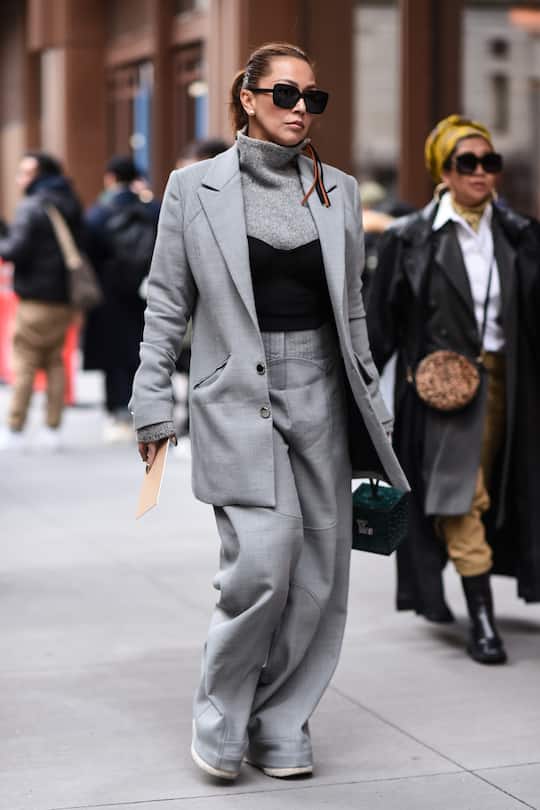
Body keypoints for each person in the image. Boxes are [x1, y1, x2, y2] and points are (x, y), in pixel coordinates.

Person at [130, 42, 408, 781]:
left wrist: (373, 408)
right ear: (246, 96)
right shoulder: (193, 189)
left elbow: (350, 311)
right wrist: (151, 397)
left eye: (313, 98)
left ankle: (282, 718)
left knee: (318, 572)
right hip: (234, 395)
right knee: (260, 565)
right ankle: (221, 711)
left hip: (322, 387)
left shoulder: (339, 190)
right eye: (285, 94)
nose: (300, 110)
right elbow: (166, 302)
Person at [367, 114, 540, 665]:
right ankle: (482, 616)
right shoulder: (410, 239)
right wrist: (362, 405)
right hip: (441, 389)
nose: (482, 173)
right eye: (468, 163)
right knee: (463, 494)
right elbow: (378, 329)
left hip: (510, 385)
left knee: (507, 489)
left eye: (491, 162)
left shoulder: (519, 235)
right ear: (442, 170)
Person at [0, 151, 83, 450]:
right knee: (55, 362)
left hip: (35, 299)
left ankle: (15, 428)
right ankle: (53, 429)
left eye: (25, 172)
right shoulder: (70, 202)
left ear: (38, 175)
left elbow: (13, 250)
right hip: (66, 299)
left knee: (24, 363)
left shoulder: (32, 207)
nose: (20, 178)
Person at [83, 156, 159, 442]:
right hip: (146, 291)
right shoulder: (153, 209)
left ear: (110, 178)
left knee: (112, 354)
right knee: (142, 351)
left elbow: (87, 248)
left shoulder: (99, 212)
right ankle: (145, 408)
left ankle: (117, 410)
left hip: (109, 295)